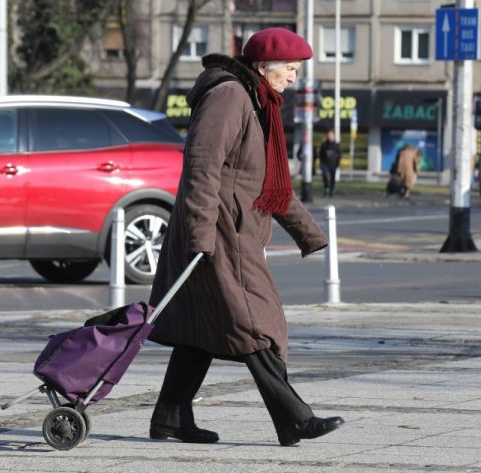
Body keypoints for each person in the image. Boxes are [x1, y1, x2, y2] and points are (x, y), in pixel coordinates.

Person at [147, 27, 345, 447]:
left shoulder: (258, 103)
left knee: (203, 326)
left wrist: (309, 234)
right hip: (220, 233)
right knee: (256, 322)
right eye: (290, 69)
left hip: (232, 231)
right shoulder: (230, 96)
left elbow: (268, 183)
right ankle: (294, 418)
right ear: (264, 66)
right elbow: (201, 167)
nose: (294, 77)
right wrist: (200, 236)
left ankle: (170, 416)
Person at [318, 129, 341, 197]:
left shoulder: (336, 145)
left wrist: (337, 164)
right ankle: (326, 188)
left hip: (333, 164)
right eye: (329, 135)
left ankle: (331, 190)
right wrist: (321, 163)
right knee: (325, 175)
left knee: (332, 178)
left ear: (334, 136)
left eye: (331, 135)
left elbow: (339, 155)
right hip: (325, 164)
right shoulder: (324, 145)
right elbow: (320, 155)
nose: (330, 136)